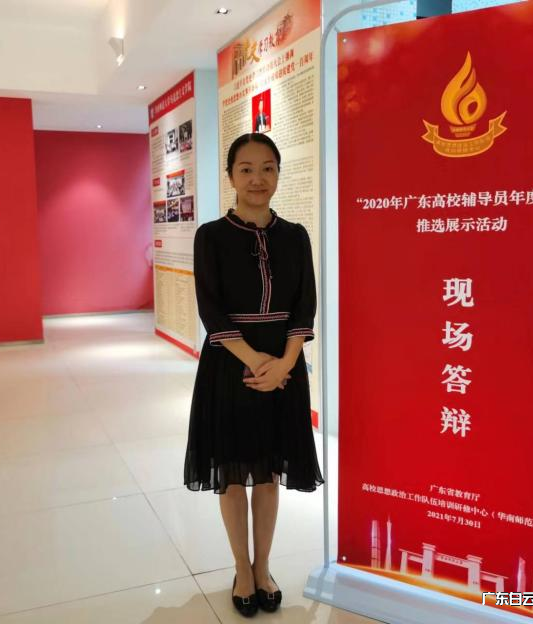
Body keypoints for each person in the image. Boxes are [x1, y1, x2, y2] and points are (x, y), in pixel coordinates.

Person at [184, 133, 323, 617]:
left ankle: (263, 567)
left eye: (267, 168)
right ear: (231, 177)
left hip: (284, 365)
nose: (257, 179)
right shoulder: (210, 236)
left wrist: (284, 363)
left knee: (268, 474)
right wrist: (255, 361)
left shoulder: (296, 235)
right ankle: (241, 569)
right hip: (230, 364)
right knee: (231, 475)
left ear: (279, 174)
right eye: (246, 169)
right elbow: (210, 309)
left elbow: (305, 304)